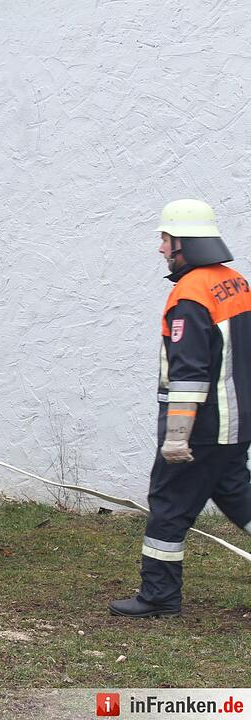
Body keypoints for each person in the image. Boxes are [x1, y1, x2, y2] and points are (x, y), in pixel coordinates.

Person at [109, 199, 251, 618]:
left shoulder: (189, 296)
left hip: (203, 428)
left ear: (183, 243)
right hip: (237, 422)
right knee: (239, 498)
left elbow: (190, 372)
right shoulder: (235, 283)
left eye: (165, 239)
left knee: (169, 505)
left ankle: (159, 595)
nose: (161, 248)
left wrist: (176, 437)